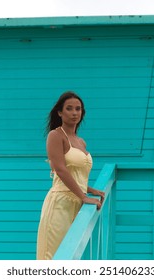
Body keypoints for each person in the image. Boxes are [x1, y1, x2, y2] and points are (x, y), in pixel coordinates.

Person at [36, 91, 105, 260]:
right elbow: (60, 170)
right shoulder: (56, 135)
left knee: (72, 258)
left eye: (78, 109)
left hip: (77, 203)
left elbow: (75, 174)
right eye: (69, 108)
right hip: (60, 204)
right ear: (60, 112)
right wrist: (84, 196)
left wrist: (90, 190)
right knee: (53, 257)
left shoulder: (81, 142)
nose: (74, 113)